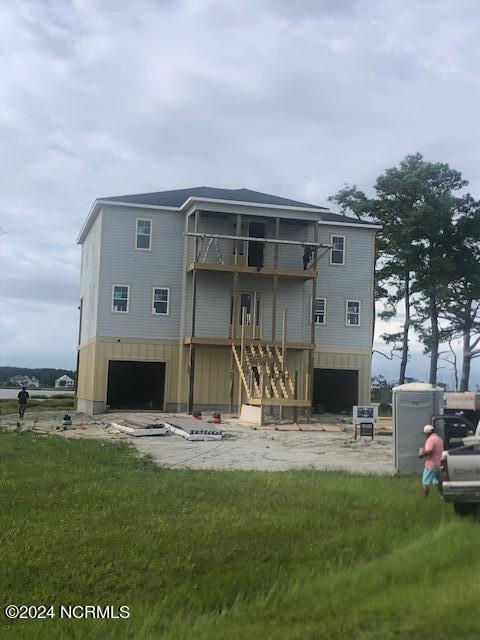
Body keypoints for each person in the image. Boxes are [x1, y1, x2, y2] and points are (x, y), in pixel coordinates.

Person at [418, 424, 444, 497]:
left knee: (425, 483)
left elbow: (429, 451)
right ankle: (443, 497)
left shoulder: (430, 440)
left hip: (431, 465)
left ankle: (425, 498)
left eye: (425, 434)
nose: (425, 435)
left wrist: (421, 455)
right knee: (439, 483)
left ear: (427, 433)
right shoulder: (439, 439)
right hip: (440, 464)